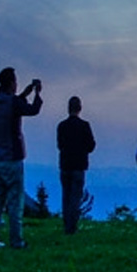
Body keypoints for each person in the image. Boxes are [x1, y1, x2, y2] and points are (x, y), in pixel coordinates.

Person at [0, 67, 43, 249]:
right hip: (13, 158)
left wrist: (26, 91)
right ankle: (16, 240)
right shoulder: (13, 103)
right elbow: (33, 110)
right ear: (12, 83)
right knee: (15, 203)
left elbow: (15, 101)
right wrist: (37, 93)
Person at [56, 97, 96, 235]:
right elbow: (91, 145)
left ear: (68, 108)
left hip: (65, 165)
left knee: (66, 196)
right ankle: (72, 227)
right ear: (80, 108)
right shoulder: (85, 126)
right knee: (75, 197)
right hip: (79, 165)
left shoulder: (61, 126)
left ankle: (66, 224)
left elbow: (59, 145)